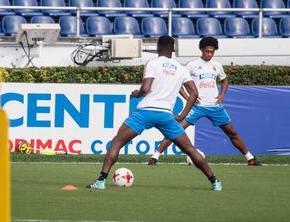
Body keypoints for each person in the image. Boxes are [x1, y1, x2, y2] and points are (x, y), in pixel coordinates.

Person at [87, 35, 222, 191]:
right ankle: (215, 182)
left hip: (146, 111)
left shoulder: (153, 63)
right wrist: (183, 115)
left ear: (158, 48)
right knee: (190, 149)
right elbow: (194, 94)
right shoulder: (181, 68)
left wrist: (136, 93)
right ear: (173, 49)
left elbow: (145, 88)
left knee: (117, 141)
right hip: (166, 115)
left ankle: (101, 181)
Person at [148, 37, 260, 166]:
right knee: (176, 129)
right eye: (207, 51)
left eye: (212, 52)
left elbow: (224, 80)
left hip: (215, 107)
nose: (209, 54)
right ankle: (155, 157)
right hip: (197, 107)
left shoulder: (216, 65)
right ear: (201, 49)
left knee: (232, 133)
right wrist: (188, 97)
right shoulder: (192, 65)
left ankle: (250, 158)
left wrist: (222, 95)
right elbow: (178, 83)